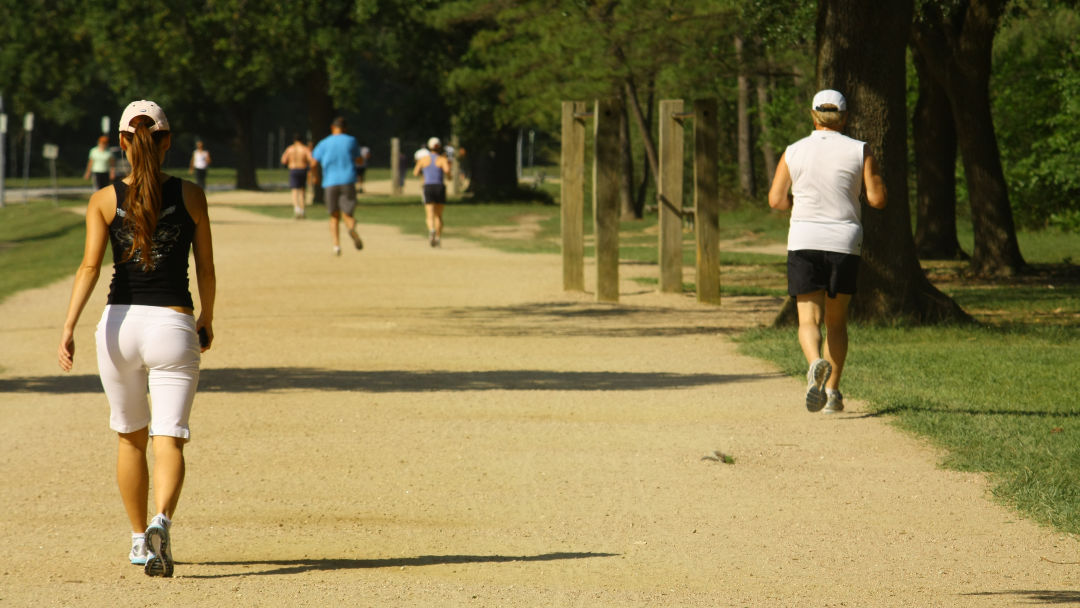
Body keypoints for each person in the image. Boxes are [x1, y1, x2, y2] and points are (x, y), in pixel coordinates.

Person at [57, 100, 216, 578]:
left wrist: (67, 327)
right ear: (167, 141)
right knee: (170, 437)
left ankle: (136, 539)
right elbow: (204, 267)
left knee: (130, 439)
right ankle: (160, 522)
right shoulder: (191, 195)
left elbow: (90, 267)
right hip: (172, 324)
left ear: (122, 143)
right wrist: (207, 317)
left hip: (118, 327)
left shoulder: (104, 199)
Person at [767, 89, 886, 414]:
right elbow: (877, 200)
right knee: (836, 320)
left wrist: (801, 204)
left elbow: (776, 200)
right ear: (845, 118)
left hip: (804, 236)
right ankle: (832, 393)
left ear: (813, 116)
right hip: (843, 241)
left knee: (809, 319)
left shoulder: (794, 151)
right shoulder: (860, 150)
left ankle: (814, 362)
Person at [311, 117, 363, 255]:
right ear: (345, 128)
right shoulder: (351, 140)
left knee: (334, 215)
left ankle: (336, 246)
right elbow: (359, 159)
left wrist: (315, 176)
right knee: (348, 213)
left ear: (332, 128)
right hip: (348, 180)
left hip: (330, 182)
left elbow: (313, 163)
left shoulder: (323, 143)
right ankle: (351, 229)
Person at [413, 136, 452, 247]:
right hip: (440, 187)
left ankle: (431, 231)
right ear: (439, 147)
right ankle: (438, 237)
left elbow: (415, 172)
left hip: (428, 187)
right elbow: (447, 171)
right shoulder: (442, 159)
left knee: (429, 214)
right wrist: (449, 177)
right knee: (438, 216)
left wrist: (425, 174)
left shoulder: (423, 159)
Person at [280, 133, 315, 219]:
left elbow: (283, 160)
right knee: (302, 191)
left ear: (294, 140)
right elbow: (311, 160)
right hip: (302, 170)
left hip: (293, 170)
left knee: (294, 191)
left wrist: (290, 162)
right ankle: (303, 211)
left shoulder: (290, 149)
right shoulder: (305, 149)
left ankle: (297, 210)